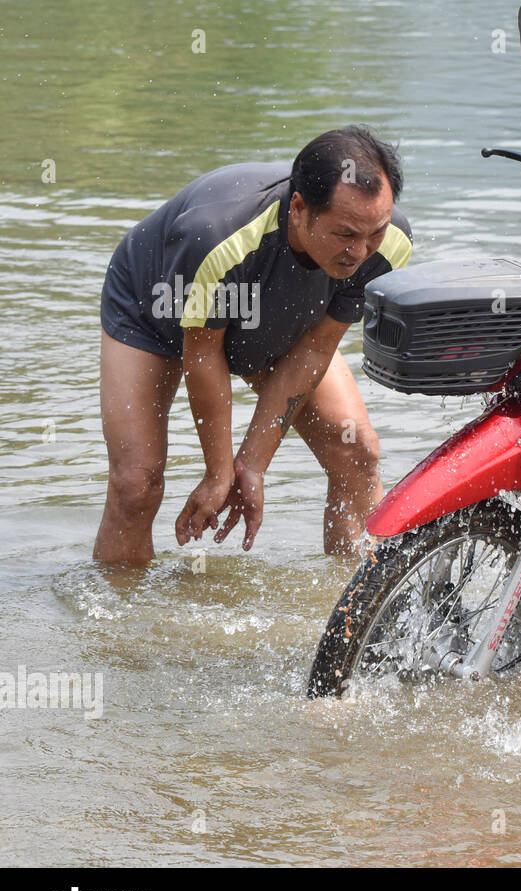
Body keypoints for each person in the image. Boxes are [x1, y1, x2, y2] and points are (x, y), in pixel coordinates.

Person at [93, 125, 413, 566]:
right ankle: (116, 626)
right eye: (345, 235)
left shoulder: (389, 242)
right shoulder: (216, 235)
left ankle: (355, 614)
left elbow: (316, 348)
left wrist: (252, 465)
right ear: (299, 208)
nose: (360, 251)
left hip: (277, 310)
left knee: (356, 451)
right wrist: (218, 473)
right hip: (155, 311)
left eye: (373, 232)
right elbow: (204, 355)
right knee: (137, 484)